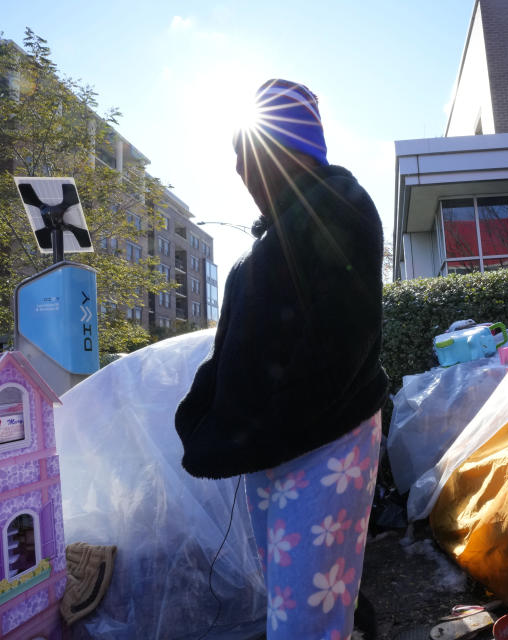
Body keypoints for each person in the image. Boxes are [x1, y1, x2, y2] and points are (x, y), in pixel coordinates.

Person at [174, 79, 387, 639]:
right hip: (277, 447)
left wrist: (254, 426)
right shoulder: (259, 251)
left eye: (252, 155)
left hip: (326, 439)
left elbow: (343, 339)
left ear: (290, 150)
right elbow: (231, 355)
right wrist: (203, 417)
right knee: (305, 594)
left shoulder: (338, 208)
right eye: (240, 158)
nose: (243, 171)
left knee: (304, 616)